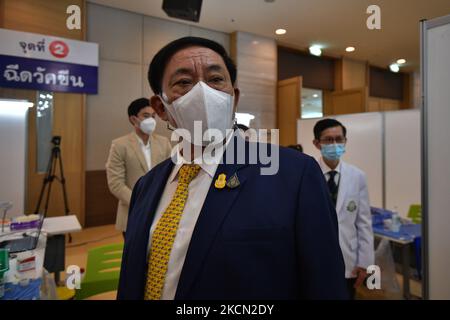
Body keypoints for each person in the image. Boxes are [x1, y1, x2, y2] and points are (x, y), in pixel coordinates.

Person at [117, 37, 348, 300]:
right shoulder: (146, 186)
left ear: (233, 98)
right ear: (161, 107)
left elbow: (325, 283)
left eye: (216, 80)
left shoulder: (293, 175)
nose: (204, 92)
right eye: (184, 82)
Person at [312, 118, 374, 299]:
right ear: (317, 144)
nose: (334, 144)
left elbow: (364, 223)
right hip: (314, 257)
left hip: (348, 260)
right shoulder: (308, 173)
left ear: (345, 141)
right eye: (328, 140)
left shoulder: (357, 176)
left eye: (339, 139)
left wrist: (365, 262)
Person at [106, 98, 172, 238]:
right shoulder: (119, 145)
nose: (151, 120)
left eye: (153, 116)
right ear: (133, 119)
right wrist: (141, 202)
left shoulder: (164, 142)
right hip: (132, 212)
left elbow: (170, 175)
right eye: (146, 116)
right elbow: (115, 183)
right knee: (134, 257)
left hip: (161, 211)